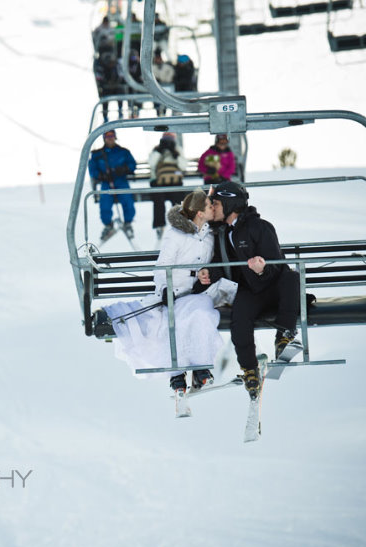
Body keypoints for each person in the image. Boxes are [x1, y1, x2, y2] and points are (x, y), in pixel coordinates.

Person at [100, 190, 237, 394]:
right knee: (171, 319)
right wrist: (166, 289)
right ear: (199, 213)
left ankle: (200, 366)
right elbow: (163, 266)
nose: (213, 209)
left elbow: (215, 262)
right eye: (209, 206)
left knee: (200, 313)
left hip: (199, 293)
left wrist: (206, 275)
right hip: (176, 291)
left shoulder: (210, 234)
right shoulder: (176, 235)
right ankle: (177, 374)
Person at [199, 181, 302, 400]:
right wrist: (210, 273)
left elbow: (276, 264)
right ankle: (249, 368)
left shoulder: (260, 227)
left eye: (215, 203)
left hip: (275, 287)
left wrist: (262, 269)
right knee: (240, 318)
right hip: (253, 291)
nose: (212, 208)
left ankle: (284, 336)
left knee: (292, 278)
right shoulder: (222, 233)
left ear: (229, 204)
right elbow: (222, 263)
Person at [88, 129, 137, 240]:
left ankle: (128, 223)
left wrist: (124, 169)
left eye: (112, 136)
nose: (110, 139)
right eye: (107, 136)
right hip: (107, 183)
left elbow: (132, 164)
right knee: (105, 203)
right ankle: (108, 224)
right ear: (104, 139)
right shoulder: (97, 154)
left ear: (115, 137)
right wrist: (100, 175)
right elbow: (92, 168)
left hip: (121, 181)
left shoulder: (123, 152)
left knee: (127, 200)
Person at [148, 132, 187, 239]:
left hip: (174, 180)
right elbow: (151, 164)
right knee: (158, 200)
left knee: (178, 201)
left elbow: (183, 166)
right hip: (158, 181)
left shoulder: (177, 150)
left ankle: (180, 223)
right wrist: (159, 151)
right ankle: (159, 225)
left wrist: (176, 155)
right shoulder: (156, 149)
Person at [93, 52, 127, 122]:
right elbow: (99, 79)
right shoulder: (101, 68)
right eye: (110, 63)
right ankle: (105, 116)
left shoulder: (117, 66)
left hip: (116, 86)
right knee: (104, 98)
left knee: (120, 91)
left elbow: (121, 75)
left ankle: (120, 110)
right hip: (106, 88)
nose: (111, 64)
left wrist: (117, 82)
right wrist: (105, 84)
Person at [151, 49, 175, 116]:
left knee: (166, 103)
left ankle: (164, 114)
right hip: (156, 88)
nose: (158, 60)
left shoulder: (168, 67)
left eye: (159, 58)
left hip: (166, 87)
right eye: (157, 59)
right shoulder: (152, 68)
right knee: (157, 104)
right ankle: (158, 115)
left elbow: (171, 75)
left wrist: (165, 80)